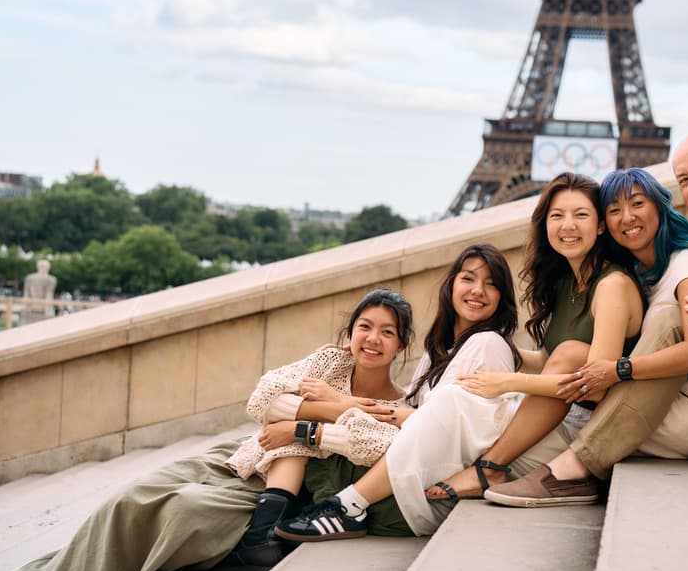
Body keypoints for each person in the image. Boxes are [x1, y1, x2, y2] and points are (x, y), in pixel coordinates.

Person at [0, 288, 413, 571]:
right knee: (135, 494)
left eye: (387, 332)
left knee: (181, 510)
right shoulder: (329, 364)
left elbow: (382, 445)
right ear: (350, 331)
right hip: (253, 456)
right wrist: (339, 410)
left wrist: (305, 427)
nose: (373, 339)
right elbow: (264, 401)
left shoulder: (401, 403)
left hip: (292, 487)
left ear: (401, 345)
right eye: (365, 326)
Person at [275, 172, 644, 541]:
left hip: (576, 432)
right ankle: (347, 503)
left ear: (599, 226)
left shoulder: (610, 286)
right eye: (557, 215)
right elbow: (546, 360)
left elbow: (594, 386)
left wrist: (504, 377)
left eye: (580, 215)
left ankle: (350, 505)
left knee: (469, 394)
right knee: (467, 393)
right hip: (544, 416)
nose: (568, 225)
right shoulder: (567, 284)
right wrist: (484, 349)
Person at [484, 159, 688, 507]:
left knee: (660, 322)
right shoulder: (636, 271)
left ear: (660, 206)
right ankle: (487, 466)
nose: (626, 217)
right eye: (614, 209)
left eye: (637, 204)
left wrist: (618, 369)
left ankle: (575, 469)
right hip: (664, 405)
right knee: (521, 418)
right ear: (606, 224)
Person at [19, 259, 57, 324]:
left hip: (30, 308)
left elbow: (26, 295)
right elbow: (48, 296)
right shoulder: (51, 279)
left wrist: (25, 307)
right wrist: (47, 310)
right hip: (42, 309)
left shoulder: (29, 278)